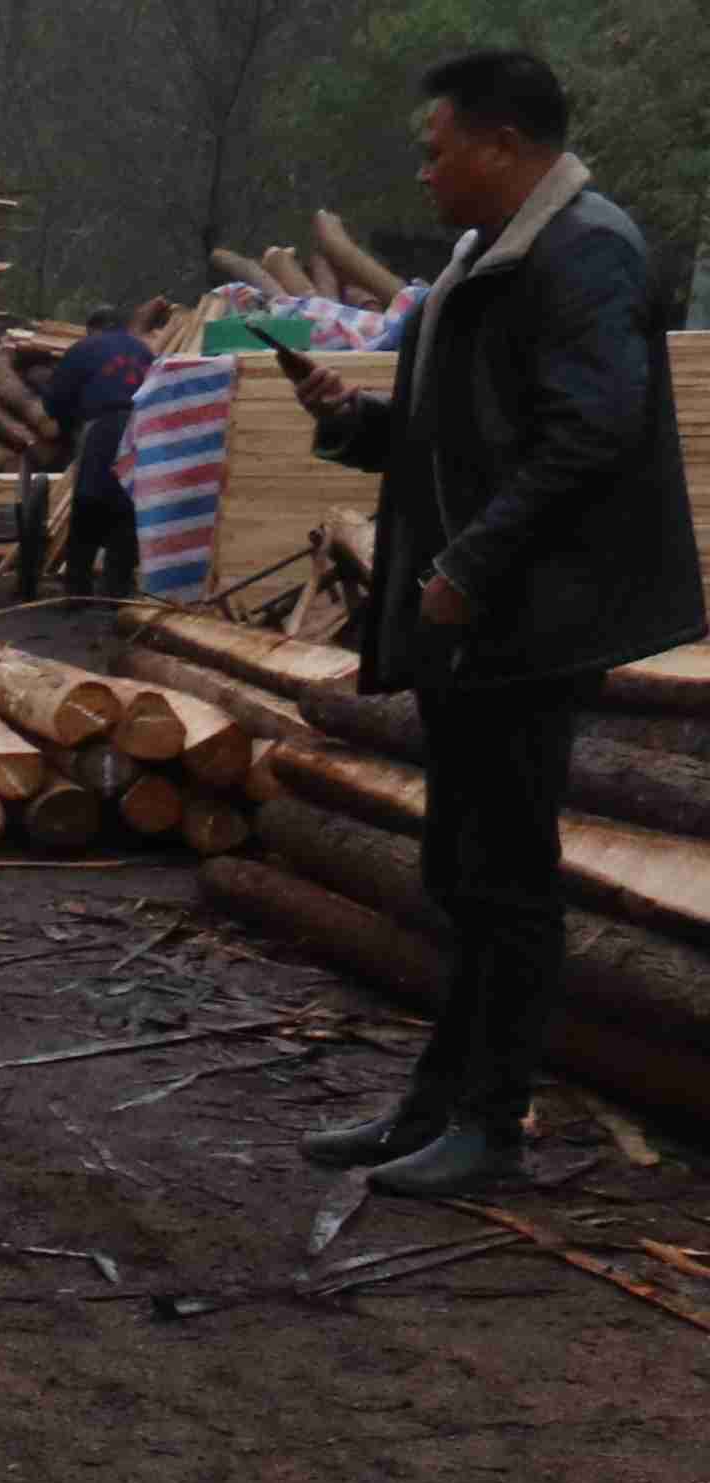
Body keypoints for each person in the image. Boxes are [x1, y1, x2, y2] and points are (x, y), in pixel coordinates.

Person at [293, 47, 704, 1196]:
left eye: (436, 151)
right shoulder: (492, 253)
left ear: (504, 147)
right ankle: (435, 1106)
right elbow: (458, 438)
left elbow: (591, 437)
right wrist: (353, 420)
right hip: (475, 617)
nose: (423, 175)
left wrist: (470, 563)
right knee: (463, 870)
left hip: (531, 619)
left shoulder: (586, 255)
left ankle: (492, 1123)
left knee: (508, 875)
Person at [39, 296, 156, 594]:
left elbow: (56, 398)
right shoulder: (144, 350)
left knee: (89, 504)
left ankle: (77, 590)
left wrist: (67, 430)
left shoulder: (84, 348)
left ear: (92, 328)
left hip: (102, 429)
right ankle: (116, 591)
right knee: (127, 504)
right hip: (140, 429)